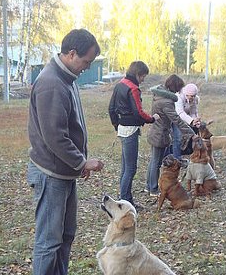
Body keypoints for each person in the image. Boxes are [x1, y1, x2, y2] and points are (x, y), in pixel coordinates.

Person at [27, 29, 104, 275]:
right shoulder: (52, 83)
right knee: (49, 243)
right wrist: (81, 162)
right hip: (50, 175)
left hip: (63, 173)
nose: (87, 67)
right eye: (86, 62)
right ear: (72, 54)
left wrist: (78, 164)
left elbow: (70, 127)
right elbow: (55, 137)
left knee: (66, 235)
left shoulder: (67, 79)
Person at [108, 61, 159, 209]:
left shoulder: (119, 84)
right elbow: (138, 112)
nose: (143, 79)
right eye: (143, 76)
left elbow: (111, 108)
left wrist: (116, 125)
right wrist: (152, 119)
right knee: (130, 168)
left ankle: (125, 198)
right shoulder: (133, 88)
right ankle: (126, 202)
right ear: (138, 74)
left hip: (122, 129)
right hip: (130, 130)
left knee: (125, 167)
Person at [145, 75, 197, 196]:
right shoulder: (166, 102)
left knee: (153, 161)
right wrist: (192, 133)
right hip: (160, 134)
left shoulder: (159, 95)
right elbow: (176, 120)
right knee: (156, 163)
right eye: (179, 88)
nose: (179, 91)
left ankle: (148, 186)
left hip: (155, 131)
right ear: (174, 87)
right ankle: (153, 189)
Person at [172, 83, 201, 160]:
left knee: (192, 135)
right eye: (188, 96)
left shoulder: (196, 99)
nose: (190, 98)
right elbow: (180, 113)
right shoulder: (179, 98)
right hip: (176, 118)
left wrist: (196, 121)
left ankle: (191, 153)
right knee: (177, 138)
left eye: (193, 96)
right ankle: (176, 159)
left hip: (187, 118)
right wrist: (191, 121)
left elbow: (193, 112)